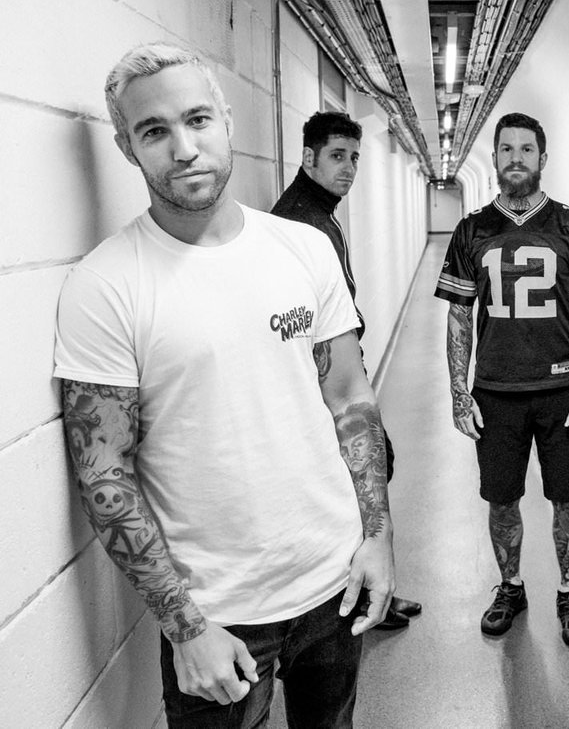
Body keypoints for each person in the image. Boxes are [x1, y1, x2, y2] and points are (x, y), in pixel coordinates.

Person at [54, 43, 395, 728]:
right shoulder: (105, 285)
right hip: (219, 618)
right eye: (154, 131)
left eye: (198, 119)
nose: (184, 148)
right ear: (126, 147)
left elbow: (349, 398)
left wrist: (379, 536)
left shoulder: (303, 249)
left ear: (227, 121)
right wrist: (185, 626)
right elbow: (104, 471)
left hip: (335, 582)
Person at [434, 112, 569, 646]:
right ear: (494, 157)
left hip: (562, 392)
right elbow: (459, 315)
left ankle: (568, 590)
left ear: (542, 158)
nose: (516, 158)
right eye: (507, 149)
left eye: (526, 149)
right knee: (501, 499)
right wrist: (459, 392)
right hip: (496, 393)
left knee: (568, 499)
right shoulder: (472, 230)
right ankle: (511, 586)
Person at [271, 110, 423, 631]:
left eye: (355, 157)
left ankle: (370, 590)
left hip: (338, 373)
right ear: (308, 158)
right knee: (359, 482)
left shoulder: (320, 212)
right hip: (324, 387)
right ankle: (362, 597)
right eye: (337, 156)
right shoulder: (300, 222)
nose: (349, 168)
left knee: (373, 474)